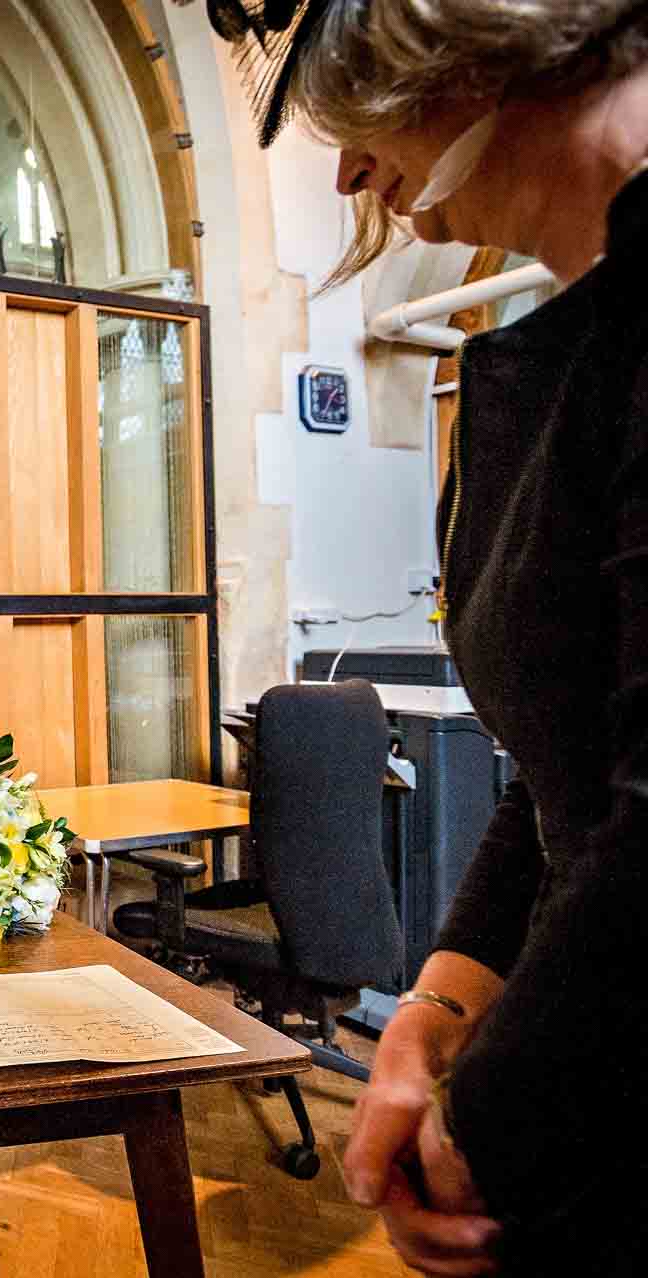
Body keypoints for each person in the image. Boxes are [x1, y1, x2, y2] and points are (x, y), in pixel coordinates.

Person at [186, 1, 648, 1272]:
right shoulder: (562, 346)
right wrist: (429, 1018)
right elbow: (563, 775)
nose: (341, 172)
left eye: (357, 110)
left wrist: (489, 1133)